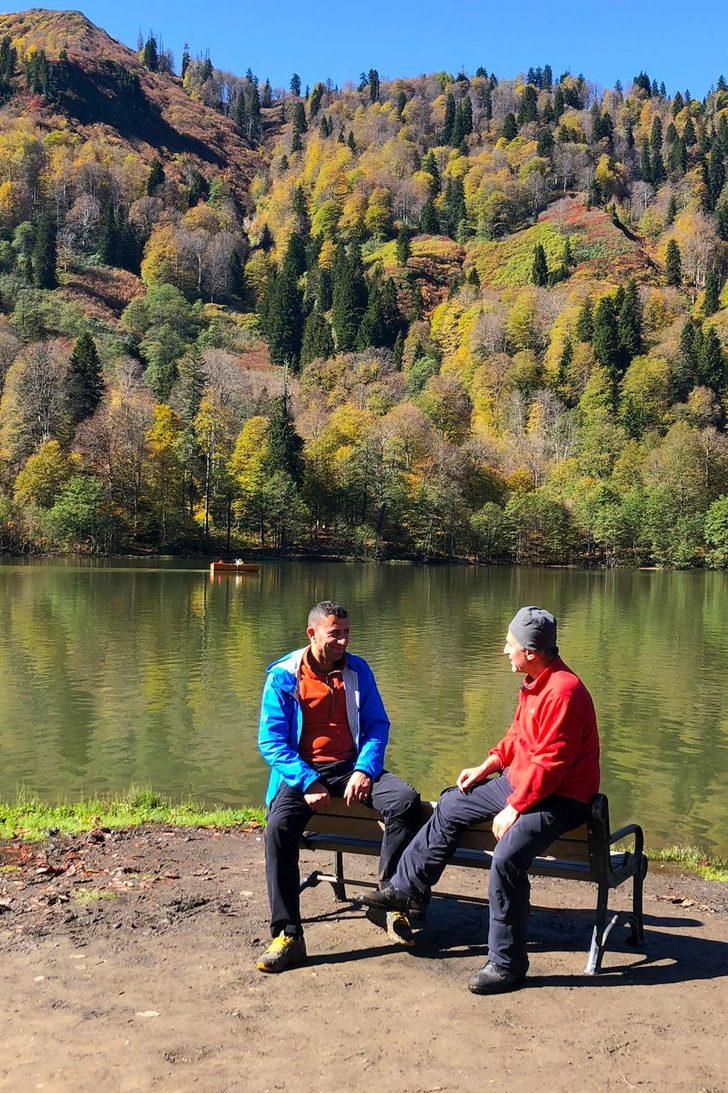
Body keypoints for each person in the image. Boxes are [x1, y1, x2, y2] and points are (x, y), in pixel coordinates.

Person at [364, 605, 600, 995]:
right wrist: (487, 764)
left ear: (531, 651)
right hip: (522, 781)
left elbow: (552, 765)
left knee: (507, 857)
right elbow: (518, 739)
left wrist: (515, 807)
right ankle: (404, 890)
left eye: (510, 645)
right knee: (453, 803)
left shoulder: (564, 691)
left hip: (562, 797)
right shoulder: (535, 681)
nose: (504, 651)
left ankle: (507, 964)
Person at [257, 600, 422, 973]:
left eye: (347, 633)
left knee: (406, 802)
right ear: (311, 633)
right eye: (336, 634)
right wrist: (307, 779)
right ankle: (289, 935)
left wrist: (365, 769)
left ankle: (389, 901)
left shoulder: (357, 670)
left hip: (351, 768)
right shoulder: (284, 675)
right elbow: (271, 742)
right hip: (303, 772)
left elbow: (378, 725)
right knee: (278, 830)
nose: (344, 642)